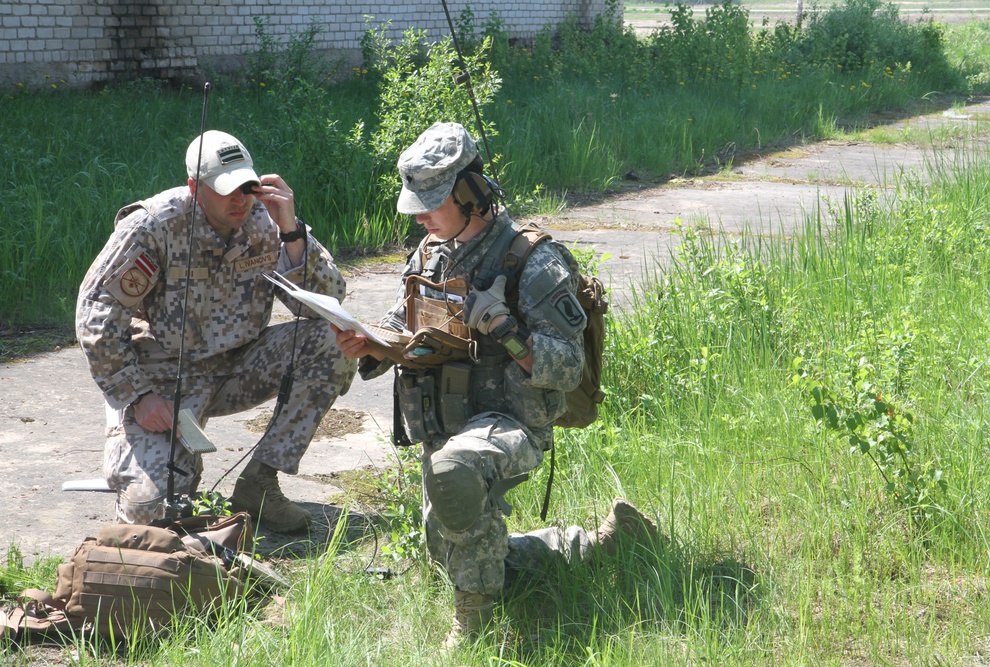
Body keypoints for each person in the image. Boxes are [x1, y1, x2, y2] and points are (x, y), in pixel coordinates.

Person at [333, 122, 660, 646]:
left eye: (432, 202)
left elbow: (567, 367)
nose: (419, 215)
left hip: (511, 420)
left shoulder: (532, 262)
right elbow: (403, 321)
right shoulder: (430, 253)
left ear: (470, 194)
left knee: (455, 477)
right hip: (449, 420)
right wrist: (372, 343)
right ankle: (601, 542)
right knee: (451, 545)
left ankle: (473, 626)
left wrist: (506, 330)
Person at [76, 130, 356, 533]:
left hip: (239, 366)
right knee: (153, 512)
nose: (240, 200)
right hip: (165, 383)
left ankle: (259, 482)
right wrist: (137, 396)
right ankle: (166, 471)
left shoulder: (266, 221)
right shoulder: (155, 226)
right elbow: (96, 315)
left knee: (333, 341)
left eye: (247, 187)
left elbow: (324, 302)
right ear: (195, 187)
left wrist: (292, 232)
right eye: (227, 191)